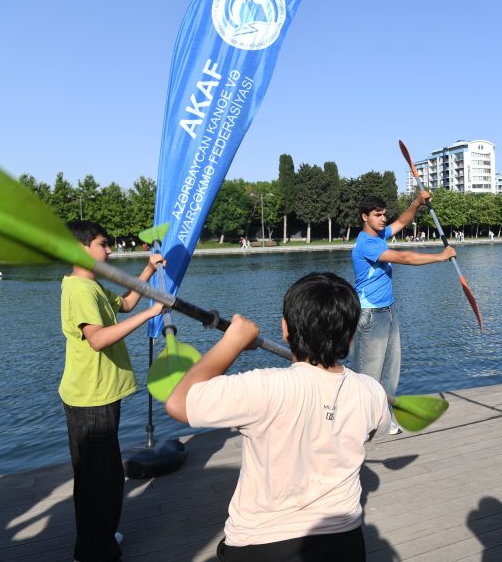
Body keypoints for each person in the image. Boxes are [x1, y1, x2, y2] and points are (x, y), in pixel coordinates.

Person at [165, 272, 390, 560]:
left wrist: (231, 343)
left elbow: (178, 402)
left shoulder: (264, 387)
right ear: (349, 336)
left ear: (285, 329)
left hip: (261, 542)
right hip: (344, 542)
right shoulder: (370, 390)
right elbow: (375, 430)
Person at [60, 220, 164, 561]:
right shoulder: (79, 289)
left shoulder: (92, 285)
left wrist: (147, 270)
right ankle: (96, 551)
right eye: (103, 244)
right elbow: (98, 339)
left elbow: (126, 304)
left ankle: (97, 537)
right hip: (91, 400)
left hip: (99, 395)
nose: (109, 251)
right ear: (81, 248)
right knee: (102, 483)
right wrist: (154, 312)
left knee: (96, 478)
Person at [349, 193, 455, 434]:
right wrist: (439, 257)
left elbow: (402, 222)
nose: (384, 219)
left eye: (385, 214)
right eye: (378, 215)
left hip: (388, 312)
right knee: (368, 375)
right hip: (369, 316)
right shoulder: (366, 243)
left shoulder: (380, 236)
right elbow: (403, 257)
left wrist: (416, 203)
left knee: (391, 371)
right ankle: (360, 424)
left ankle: (384, 416)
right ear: (365, 217)